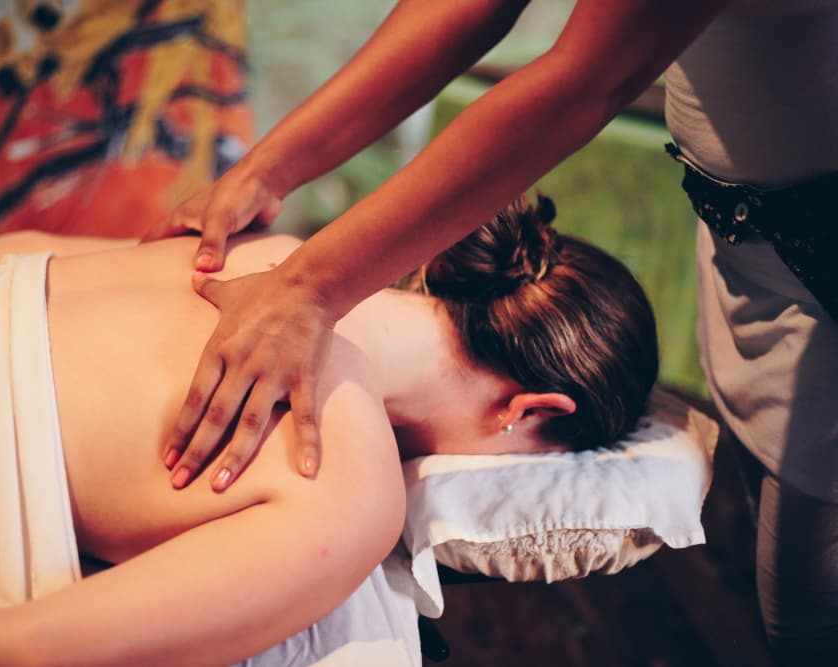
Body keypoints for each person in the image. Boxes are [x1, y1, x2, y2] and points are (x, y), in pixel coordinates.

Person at [148, 1, 838, 664]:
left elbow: (586, 77)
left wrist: (302, 268)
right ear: (530, 412)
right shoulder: (345, 500)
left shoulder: (237, 257)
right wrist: (278, 194)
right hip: (753, 239)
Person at [0, 194, 658, 666]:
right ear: (534, 410)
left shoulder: (270, 247)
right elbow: (37, 651)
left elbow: (15, 255)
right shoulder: (348, 486)